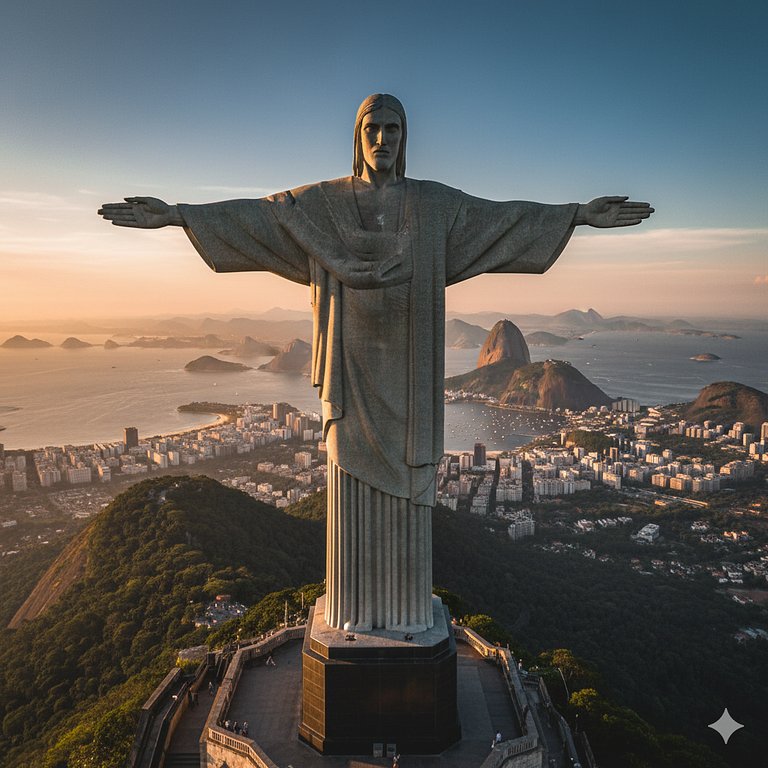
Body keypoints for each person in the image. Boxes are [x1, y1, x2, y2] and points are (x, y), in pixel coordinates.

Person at [99, 94, 653, 634]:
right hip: (349, 371)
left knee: (409, 485)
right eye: (372, 128)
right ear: (357, 137)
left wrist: (577, 215)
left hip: (411, 374)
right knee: (350, 483)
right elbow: (260, 217)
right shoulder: (320, 206)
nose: (382, 138)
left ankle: (406, 616)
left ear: (404, 138)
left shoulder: (435, 207)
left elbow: (502, 219)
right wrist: (178, 216)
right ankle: (355, 618)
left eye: (393, 129)